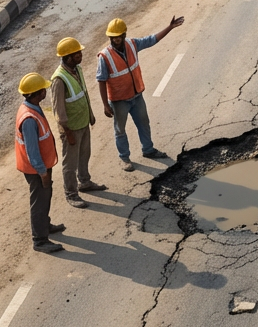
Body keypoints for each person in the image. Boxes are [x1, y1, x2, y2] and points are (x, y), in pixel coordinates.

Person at [97, 15, 184, 171]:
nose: (116, 40)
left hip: (136, 96)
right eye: (113, 37)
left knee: (144, 123)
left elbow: (151, 40)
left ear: (124, 35)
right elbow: (101, 81)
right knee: (120, 130)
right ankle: (125, 158)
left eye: (119, 37)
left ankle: (148, 150)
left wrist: (169, 27)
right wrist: (105, 105)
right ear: (110, 37)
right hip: (119, 101)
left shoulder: (132, 44)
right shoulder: (105, 56)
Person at [51, 37, 107, 209]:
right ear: (67, 57)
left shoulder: (77, 69)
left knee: (84, 155)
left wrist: (90, 115)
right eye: (77, 54)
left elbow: (83, 93)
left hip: (82, 123)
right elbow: (58, 110)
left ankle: (85, 182)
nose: (81, 55)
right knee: (70, 163)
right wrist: (67, 132)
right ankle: (71, 193)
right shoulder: (59, 80)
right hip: (71, 129)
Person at [15, 73, 65, 253]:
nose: (45, 91)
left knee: (46, 197)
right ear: (37, 93)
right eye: (43, 89)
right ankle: (40, 240)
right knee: (39, 201)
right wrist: (42, 172)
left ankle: (45, 225)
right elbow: (32, 150)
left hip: (41, 166)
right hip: (36, 169)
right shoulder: (29, 119)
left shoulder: (32, 107)